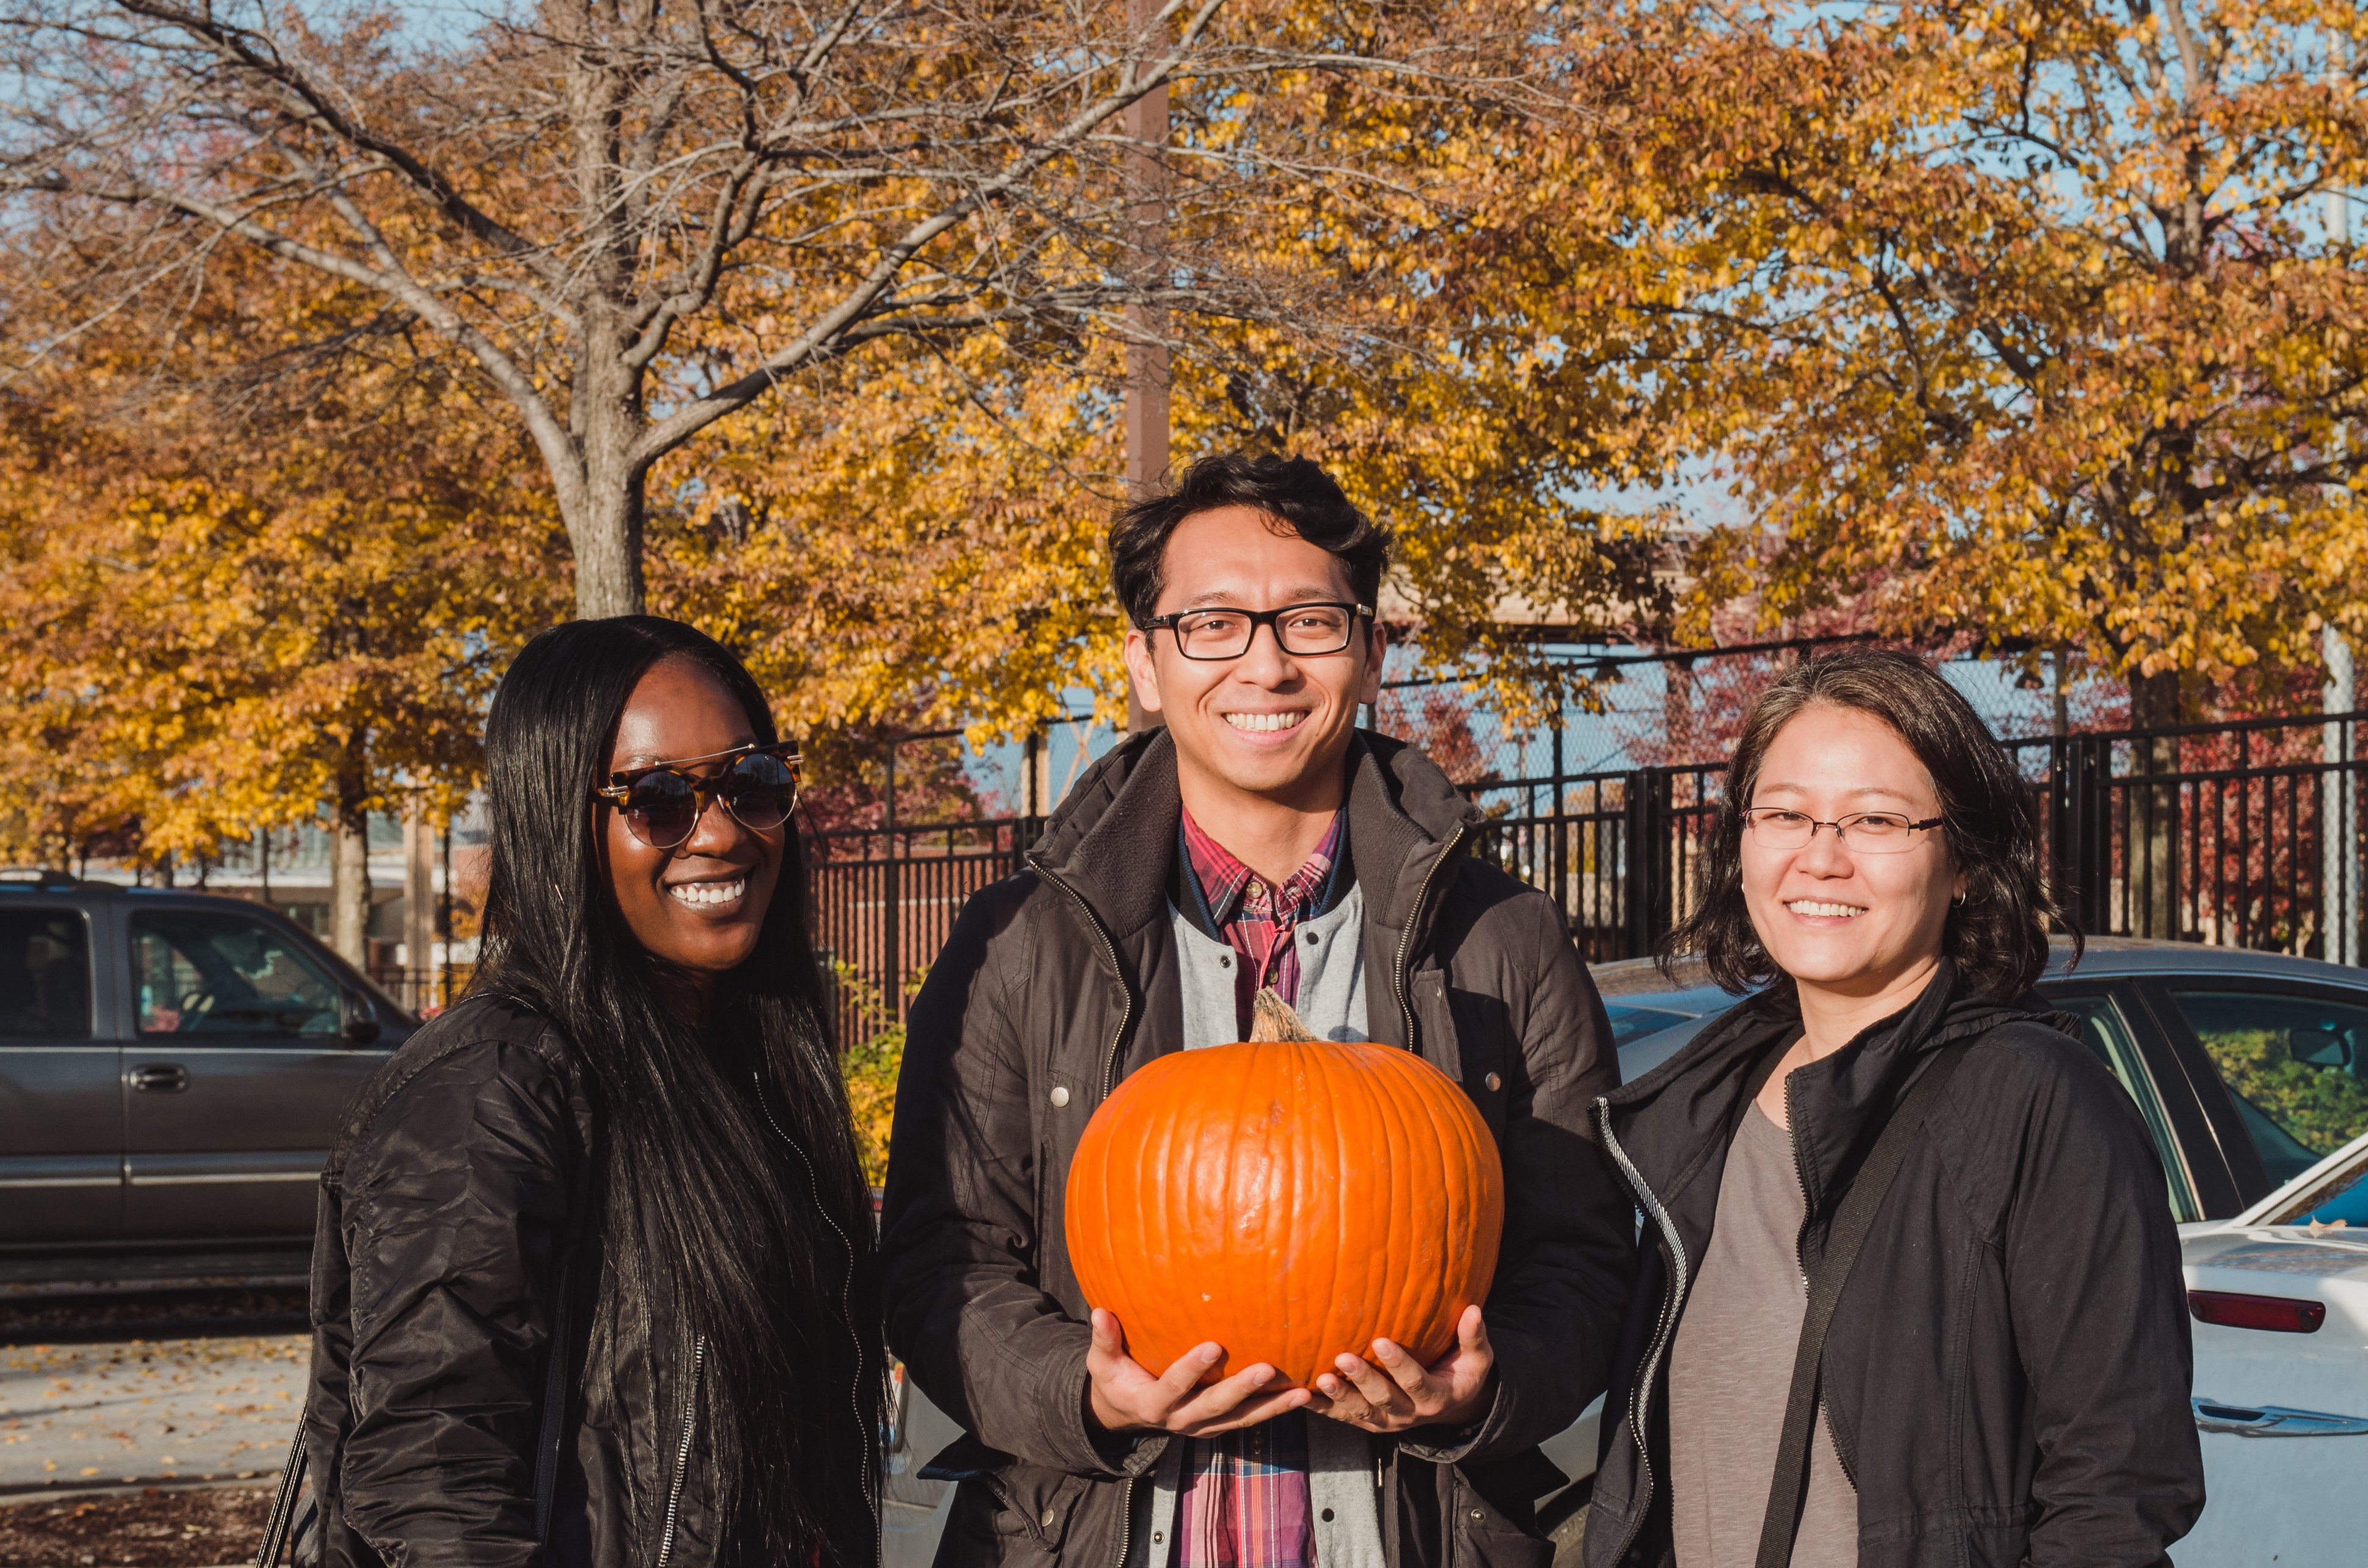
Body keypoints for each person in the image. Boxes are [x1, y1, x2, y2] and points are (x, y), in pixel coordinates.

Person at [880, 451, 1636, 1568]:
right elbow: (941, 1262)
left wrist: (1490, 1384)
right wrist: (1081, 1392)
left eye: (1310, 624)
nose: (1267, 666)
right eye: (1213, 625)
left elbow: (1586, 1252)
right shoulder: (1019, 947)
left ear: (1373, 650)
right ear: (1144, 660)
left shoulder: (1501, 936)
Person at [1584, 652, 2204, 1568]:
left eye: (1875, 819)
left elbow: (2118, 1489)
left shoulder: (2037, 1104)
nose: (1820, 856)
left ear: (1963, 864)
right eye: (1786, 813)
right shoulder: (1700, 1107)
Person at [293, 617, 880, 1568]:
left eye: (751, 782)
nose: (722, 831)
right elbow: (430, 1478)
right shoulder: (493, 1088)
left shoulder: (747, 1073)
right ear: (558, 818)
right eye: (658, 800)